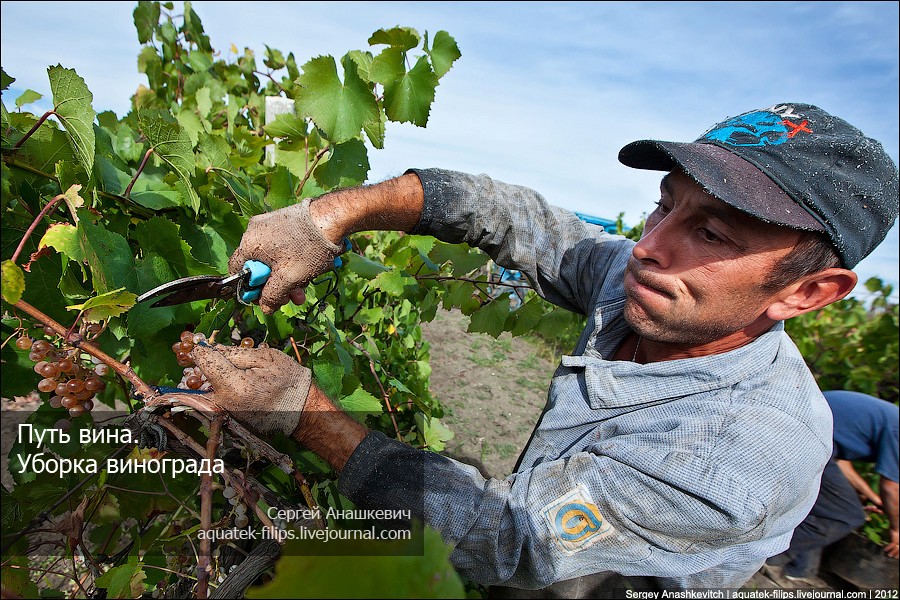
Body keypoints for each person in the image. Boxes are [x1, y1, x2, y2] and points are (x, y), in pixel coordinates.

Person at [182, 103, 899, 595]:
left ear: (808, 294)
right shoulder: (647, 284)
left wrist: (305, 413)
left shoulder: (736, 453)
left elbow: (513, 540)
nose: (648, 247)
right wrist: (331, 213)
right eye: (665, 204)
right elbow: (521, 219)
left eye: (712, 234)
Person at [765, 390, 899, 587]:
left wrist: (873, 497)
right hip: (801, 432)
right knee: (844, 514)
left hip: (801, 429)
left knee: (825, 505)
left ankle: (798, 570)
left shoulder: (889, 420)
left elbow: (842, 463)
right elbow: (892, 487)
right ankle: (767, 556)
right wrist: (896, 529)